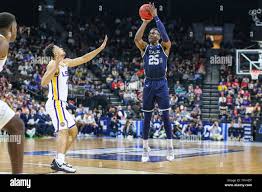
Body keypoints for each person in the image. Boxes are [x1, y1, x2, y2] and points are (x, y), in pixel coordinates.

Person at [41, 35, 107, 173]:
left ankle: (59, 160)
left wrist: (99, 49)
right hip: (55, 103)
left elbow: (83, 59)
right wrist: (56, 65)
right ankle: (59, 162)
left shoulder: (66, 62)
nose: (62, 47)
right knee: (63, 130)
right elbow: (43, 82)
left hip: (61, 104)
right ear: (54, 53)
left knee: (74, 131)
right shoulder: (53, 64)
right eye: (58, 47)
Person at [134, 3, 174, 162]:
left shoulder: (165, 46)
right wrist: (145, 22)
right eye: (151, 33)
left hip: (162, 84)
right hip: (149, 84)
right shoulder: (144, 47)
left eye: (155, 32)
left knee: (165, 116)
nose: (153, 33)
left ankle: (170, 147)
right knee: (147, 118)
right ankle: (145, 149)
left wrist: (156, 17)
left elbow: (165, 36)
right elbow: (137, 38)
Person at [0, 12, 24, 174]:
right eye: (16, 27)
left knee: (16, 126)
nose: (17, 30)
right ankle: (17, 178)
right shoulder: (3, 41)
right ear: (11, 27)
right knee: (16, 127)